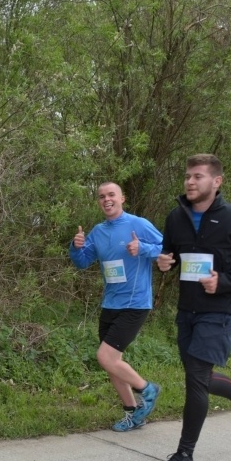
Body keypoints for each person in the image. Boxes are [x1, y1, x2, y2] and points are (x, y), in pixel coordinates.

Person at [155, 154, 231, 461]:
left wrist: (225, 281)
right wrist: (166, 263)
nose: (190, 182)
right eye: (188, 176)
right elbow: (172, 254)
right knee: (200, 378)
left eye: (198, 176)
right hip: (187, 308)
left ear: (216, 182)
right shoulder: (176, 217)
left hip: (222, 309)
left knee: (195, 379)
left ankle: (185, 456)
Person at [69, 182, 163, 432]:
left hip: (135, 303)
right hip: (110, 303)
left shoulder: (138, 224)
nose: (106, 199)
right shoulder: (98, 231)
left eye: (111, 194)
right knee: (112, 363)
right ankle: (133, 414)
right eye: (101, 196)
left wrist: (142, 248)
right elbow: (83, 261)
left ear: (122, 197)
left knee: (105, 357)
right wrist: (76, 247)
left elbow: (167, 249)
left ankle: (148, 389)